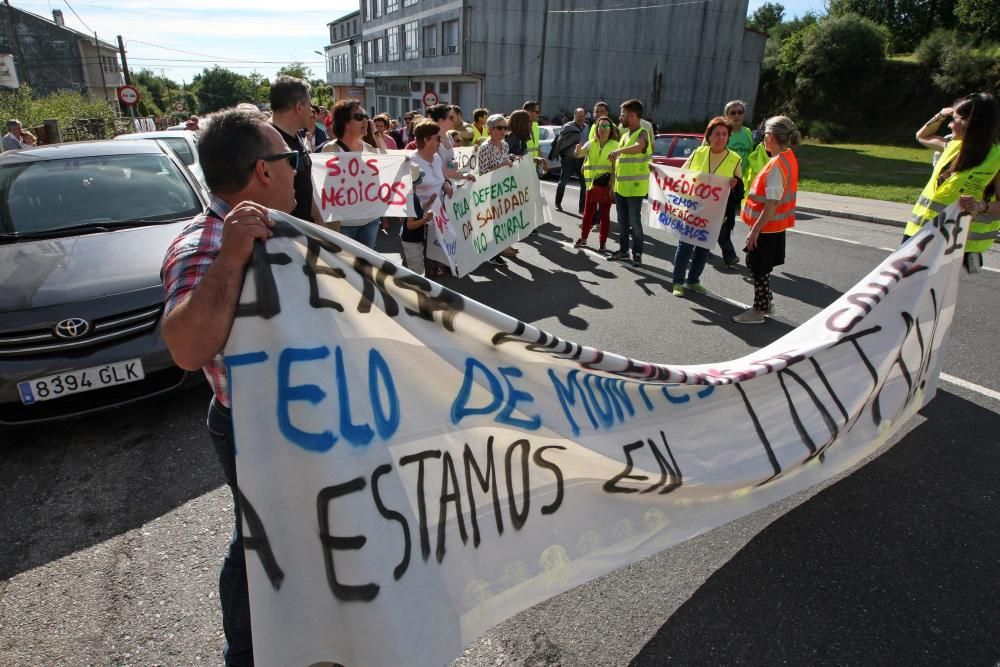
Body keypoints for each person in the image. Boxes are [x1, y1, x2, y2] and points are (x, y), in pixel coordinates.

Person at [160, 106, 297, 666]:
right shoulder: (205, 244)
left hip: (298, 418)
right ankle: (246, 654)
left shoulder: (284, 225)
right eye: (289, 158)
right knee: (258, 540)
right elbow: (187, 348)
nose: (297, 168)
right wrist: (234, 255)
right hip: (252, 425)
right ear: (263, 172)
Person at [911, 92, 1000, 273]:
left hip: (954, 243)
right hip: (920, 233)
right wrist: (941, 115)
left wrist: (981, 205)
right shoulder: (952, 144)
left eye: (954, 119)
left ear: (971, 122)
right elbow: (922, 136)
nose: (950, 124)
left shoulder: (997, 158)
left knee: (925, 297)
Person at [734, 116, 800, 324]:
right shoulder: (788, 157)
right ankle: (766, 304)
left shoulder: (776, 166)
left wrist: (755, 231)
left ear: (770, 137)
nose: (762, 139)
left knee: (758, 269)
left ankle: (758, 311)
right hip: (774, 227)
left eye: (764, 135)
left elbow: (772, 203)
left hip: (766, 229)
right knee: (762, 268)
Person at [672, 116, 742, 297]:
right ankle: (678, 282)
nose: (721, 137)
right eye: (717, 134)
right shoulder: (698, 153)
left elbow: (740, 189)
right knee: (685, 246)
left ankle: (693, 280)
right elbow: (682, 176)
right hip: (693, 208)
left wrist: (735, 185)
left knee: (703, 248)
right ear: (709, 136)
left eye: (724, 134)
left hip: (715, 213)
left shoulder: (735, 159)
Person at [321, 99, 382, 248]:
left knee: (366, 268)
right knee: (345, 268)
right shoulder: (330, 151)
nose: (366, 121)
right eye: (359, 117)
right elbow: (323, 188)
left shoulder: (371, 150)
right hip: (343, 224)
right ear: (346, 123)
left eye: (366, 116)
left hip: (370, 221)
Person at [608, 98, 652, 266]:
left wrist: (618, 150)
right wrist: (613, 183)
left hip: (634, 190)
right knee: (623, 222)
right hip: (621, 188)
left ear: (633, 116)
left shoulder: (642, 133)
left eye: (623, 114)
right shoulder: (625, 135)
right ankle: (624, 251)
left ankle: (638, 253)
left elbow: (639, 147)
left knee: (634, 222)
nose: (620, 117)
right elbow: (618, 164)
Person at [269, 75, 319, 224]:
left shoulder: (295, 135)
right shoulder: (269, 145)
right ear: (299, 107)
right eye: (309, 105)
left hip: (303, 232)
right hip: (284, 239)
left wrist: (319, 223)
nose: (311, 111)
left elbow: (304, 188)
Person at [409, 120, 456, 276]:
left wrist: (447, 184)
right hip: (419, 219)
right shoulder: (411, 161)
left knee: (434, 264)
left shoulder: (436, 157)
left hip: (437, 216)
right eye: (437, 138)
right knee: (419, 266)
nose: (440, 141)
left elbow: (443, 177)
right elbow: (405, 192)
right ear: (425, 140)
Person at [573, 115, 619, 251]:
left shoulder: (615, 146)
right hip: (591, 185)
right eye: (600, 126)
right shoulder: (591, 143)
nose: (603, 129)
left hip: (606, 185)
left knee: (604, 216)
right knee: (588, 213)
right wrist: (577, 150)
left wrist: (611, 186)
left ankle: (603, 243)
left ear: (611, 129)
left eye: (606, 126)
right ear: (597, 128)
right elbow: (579, 155)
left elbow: (615, 168)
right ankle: (584, 238)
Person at [553, 108, 587, 213]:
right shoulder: (568, 126)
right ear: (574, 115)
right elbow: (561, 140)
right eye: (579, 116)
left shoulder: (587, 127)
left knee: (584, 185)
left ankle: (582, 209)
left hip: (582, 159)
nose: (581, 118)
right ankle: (558, 203)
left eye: (583, 116)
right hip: (568, 160)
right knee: (562, 182)